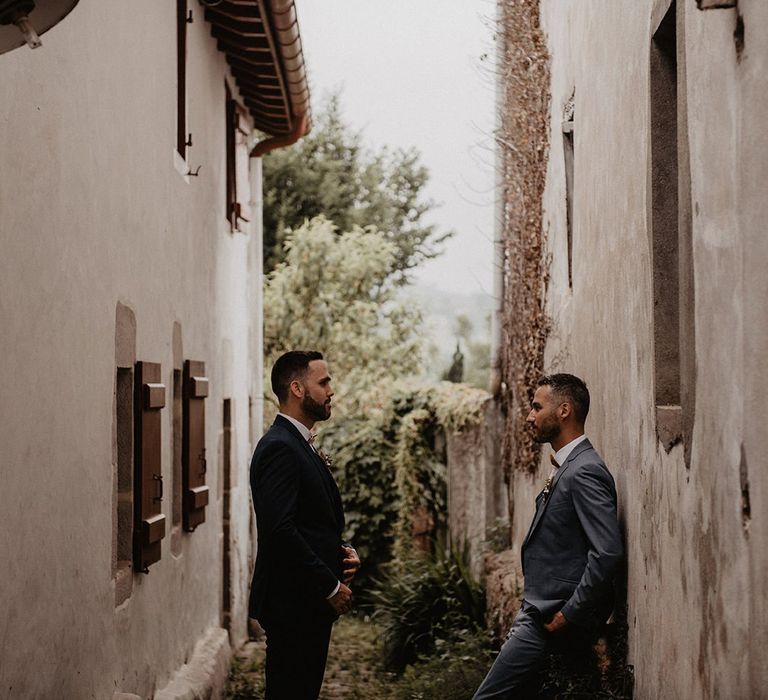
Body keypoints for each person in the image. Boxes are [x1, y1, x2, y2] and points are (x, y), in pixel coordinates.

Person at [473, 373, 623, 698]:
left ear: (564, 410)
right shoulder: (568, 465)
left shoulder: (584, 470)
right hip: (539, 608)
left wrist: (570, 613)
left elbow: (607, 551)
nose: (530, 416)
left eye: (536, 407)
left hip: (551, 614)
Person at [248, 350, 361, 700]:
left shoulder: (299, 444)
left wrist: (342, 553)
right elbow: (280, 531)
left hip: (306, 606)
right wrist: (330, 587)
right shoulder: (279, 448)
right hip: (293, 604)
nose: (331, 390)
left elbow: (309, 522)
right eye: (323, 382)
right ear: (297, 389)